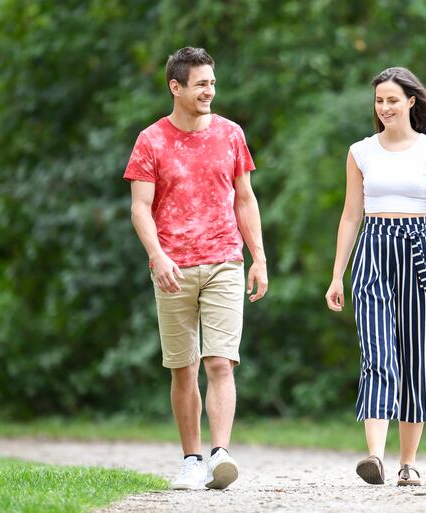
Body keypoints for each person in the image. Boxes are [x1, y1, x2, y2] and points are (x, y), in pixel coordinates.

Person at [124, 47, 268, 490]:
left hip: (225, 259)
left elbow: (245, 198)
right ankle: (191, 458)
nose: (210, 90)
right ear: (176, 87)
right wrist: (158, 254)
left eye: (212, 82)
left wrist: (258, 256)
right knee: (183, 367)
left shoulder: (230, 134)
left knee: (220, 363)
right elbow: (140, 209)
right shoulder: (152, 140)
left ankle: (220, 454)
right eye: (202, 83)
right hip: (172, 268)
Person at [325, 67, 426, 487]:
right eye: (379, 101)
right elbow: (350, 216)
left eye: (392, 100)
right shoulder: (361, 152)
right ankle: (373, 457)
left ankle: (408, 462)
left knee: (418, 359)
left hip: (419, 250)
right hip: (373, 250)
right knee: (378, 352)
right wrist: (337, 276)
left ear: (411, 102)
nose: (384, 108)